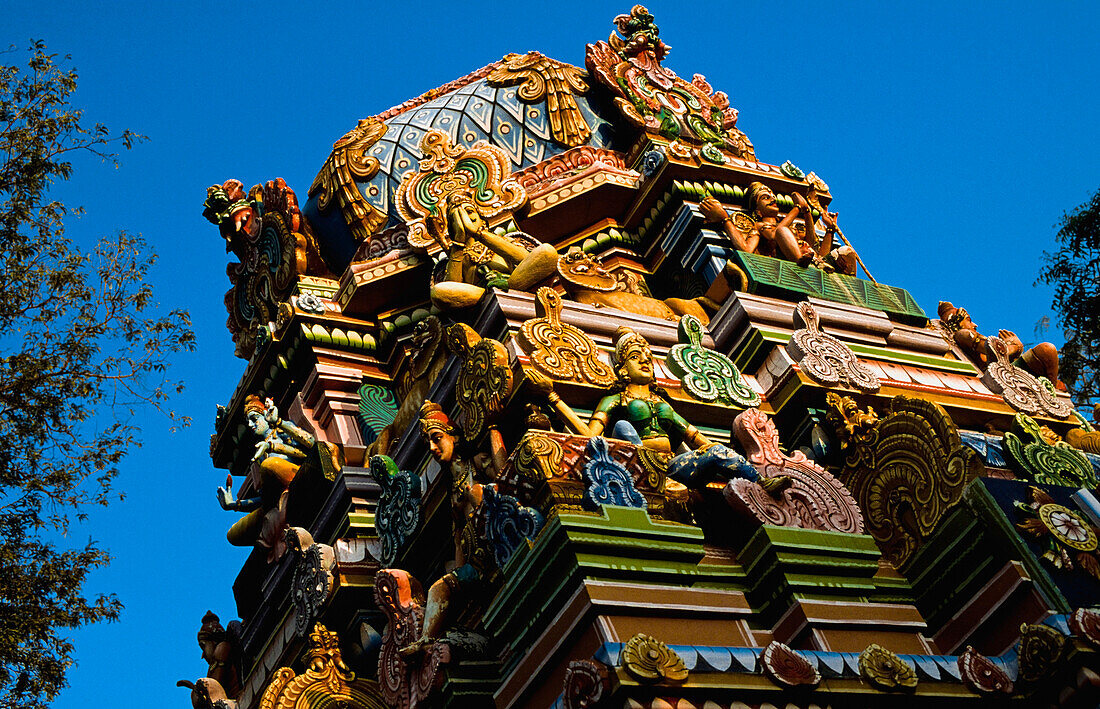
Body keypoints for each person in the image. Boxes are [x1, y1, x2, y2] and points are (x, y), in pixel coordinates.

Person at [531, 326, 790, 495]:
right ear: (622, 368)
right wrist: (554, 397)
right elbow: (590, 437)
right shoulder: (615, 400)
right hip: (638, 466)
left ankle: (760, 483)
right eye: (635, 356)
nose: (645, 360)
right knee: (623, 428)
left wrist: (717, 454)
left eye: (647, 356)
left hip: (671, 465)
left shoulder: (661, 402)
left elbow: (696, 438)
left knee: (719, 451)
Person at [400, 401, 504, 656]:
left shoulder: (476, 463)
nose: (433, 449)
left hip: (501, 539)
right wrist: (459, 579)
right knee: (441, 587)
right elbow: (459, 539)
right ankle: (426, 639)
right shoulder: (453, 491)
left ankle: (427, 638)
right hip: (479, 561)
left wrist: (492, 426)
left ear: (454, 437)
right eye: (429, 445)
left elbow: (503, 474)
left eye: (437, 439)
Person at [216, 395, 316, 548]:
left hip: (295, 475)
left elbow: (310, 444)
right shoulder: (260, 453)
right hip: (274, 500)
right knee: (233, 534)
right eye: (248, 421)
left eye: (254, 419)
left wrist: (278, 428)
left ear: (265, 416)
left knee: (270, 465)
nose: (250, 425)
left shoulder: (280, 430)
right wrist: (236, 505)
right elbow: (265, 497)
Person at [700, 182, 857, 275]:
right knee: (782, 231)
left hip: (816, 261)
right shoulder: (760, 226)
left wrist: (827, 227)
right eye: (765, 197)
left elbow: (815, 246)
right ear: (757, 211)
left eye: (772, 197)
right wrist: (725, 219)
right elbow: (747, 250)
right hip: (795, 267)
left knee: (847, 251)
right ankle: (801, 263)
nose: (772, 199)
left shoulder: (793, 226)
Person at [938, 301, 1064, 390]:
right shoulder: (962, 334)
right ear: (956, 323)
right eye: (969, 320)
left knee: (1047, 353)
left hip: (1004, 375)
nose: (975, 325)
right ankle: (1051, 395)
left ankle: (1051, 392)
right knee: (1046, 350)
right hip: (995, 381)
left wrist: (1012, 347)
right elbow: (992, 348)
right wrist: (1015, 346)